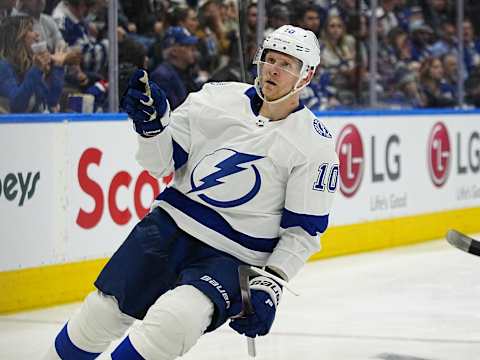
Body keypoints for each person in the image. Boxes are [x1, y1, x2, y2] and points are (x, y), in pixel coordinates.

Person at [43, 25, 338, 359]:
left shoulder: (315, 144)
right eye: (270, 59)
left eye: (287, 64)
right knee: (99, 315)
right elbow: (161, 164)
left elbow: (303, 231)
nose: (273, 68)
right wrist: (152, 129)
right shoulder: (215, 98)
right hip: (168, 228)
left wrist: (271, 284)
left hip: (234, 257)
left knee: (175, 322)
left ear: (306, 75)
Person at [0, 15, 65, 113]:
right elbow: (17, 106)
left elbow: (52, 101)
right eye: (30, 30)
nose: (37, 34)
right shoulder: (3, 67)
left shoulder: (28, 66)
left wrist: (58, 67)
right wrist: (36, 69)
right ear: (17, 37)